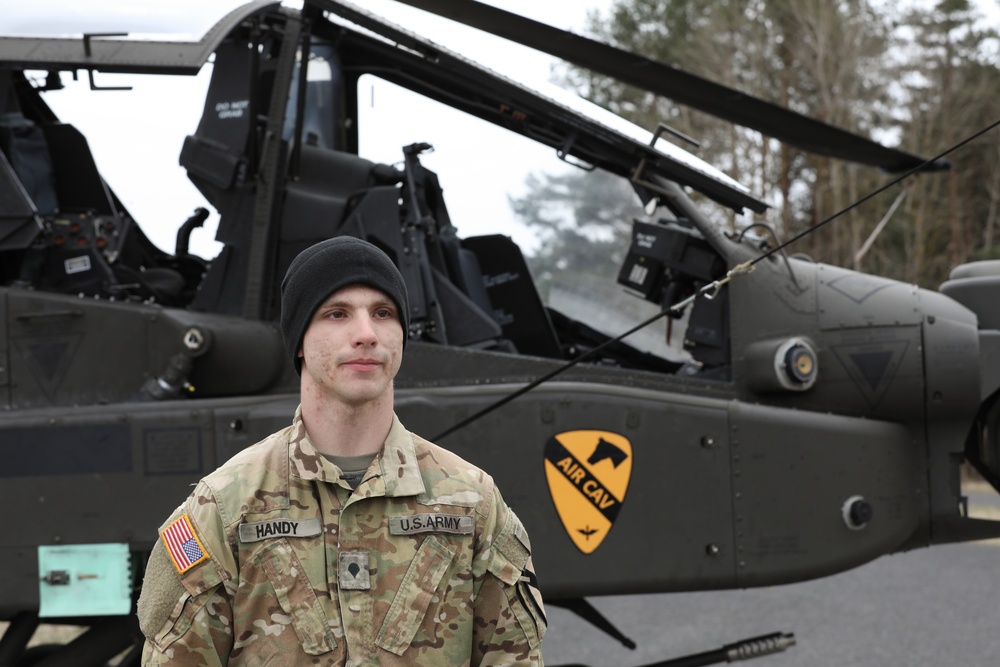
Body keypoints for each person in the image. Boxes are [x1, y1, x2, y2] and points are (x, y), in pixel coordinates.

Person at [136, 236, 546, 666]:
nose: (366, 334)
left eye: (383, 313)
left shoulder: (472, 501)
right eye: (337, 313)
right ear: (298, 339)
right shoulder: (224, 506)